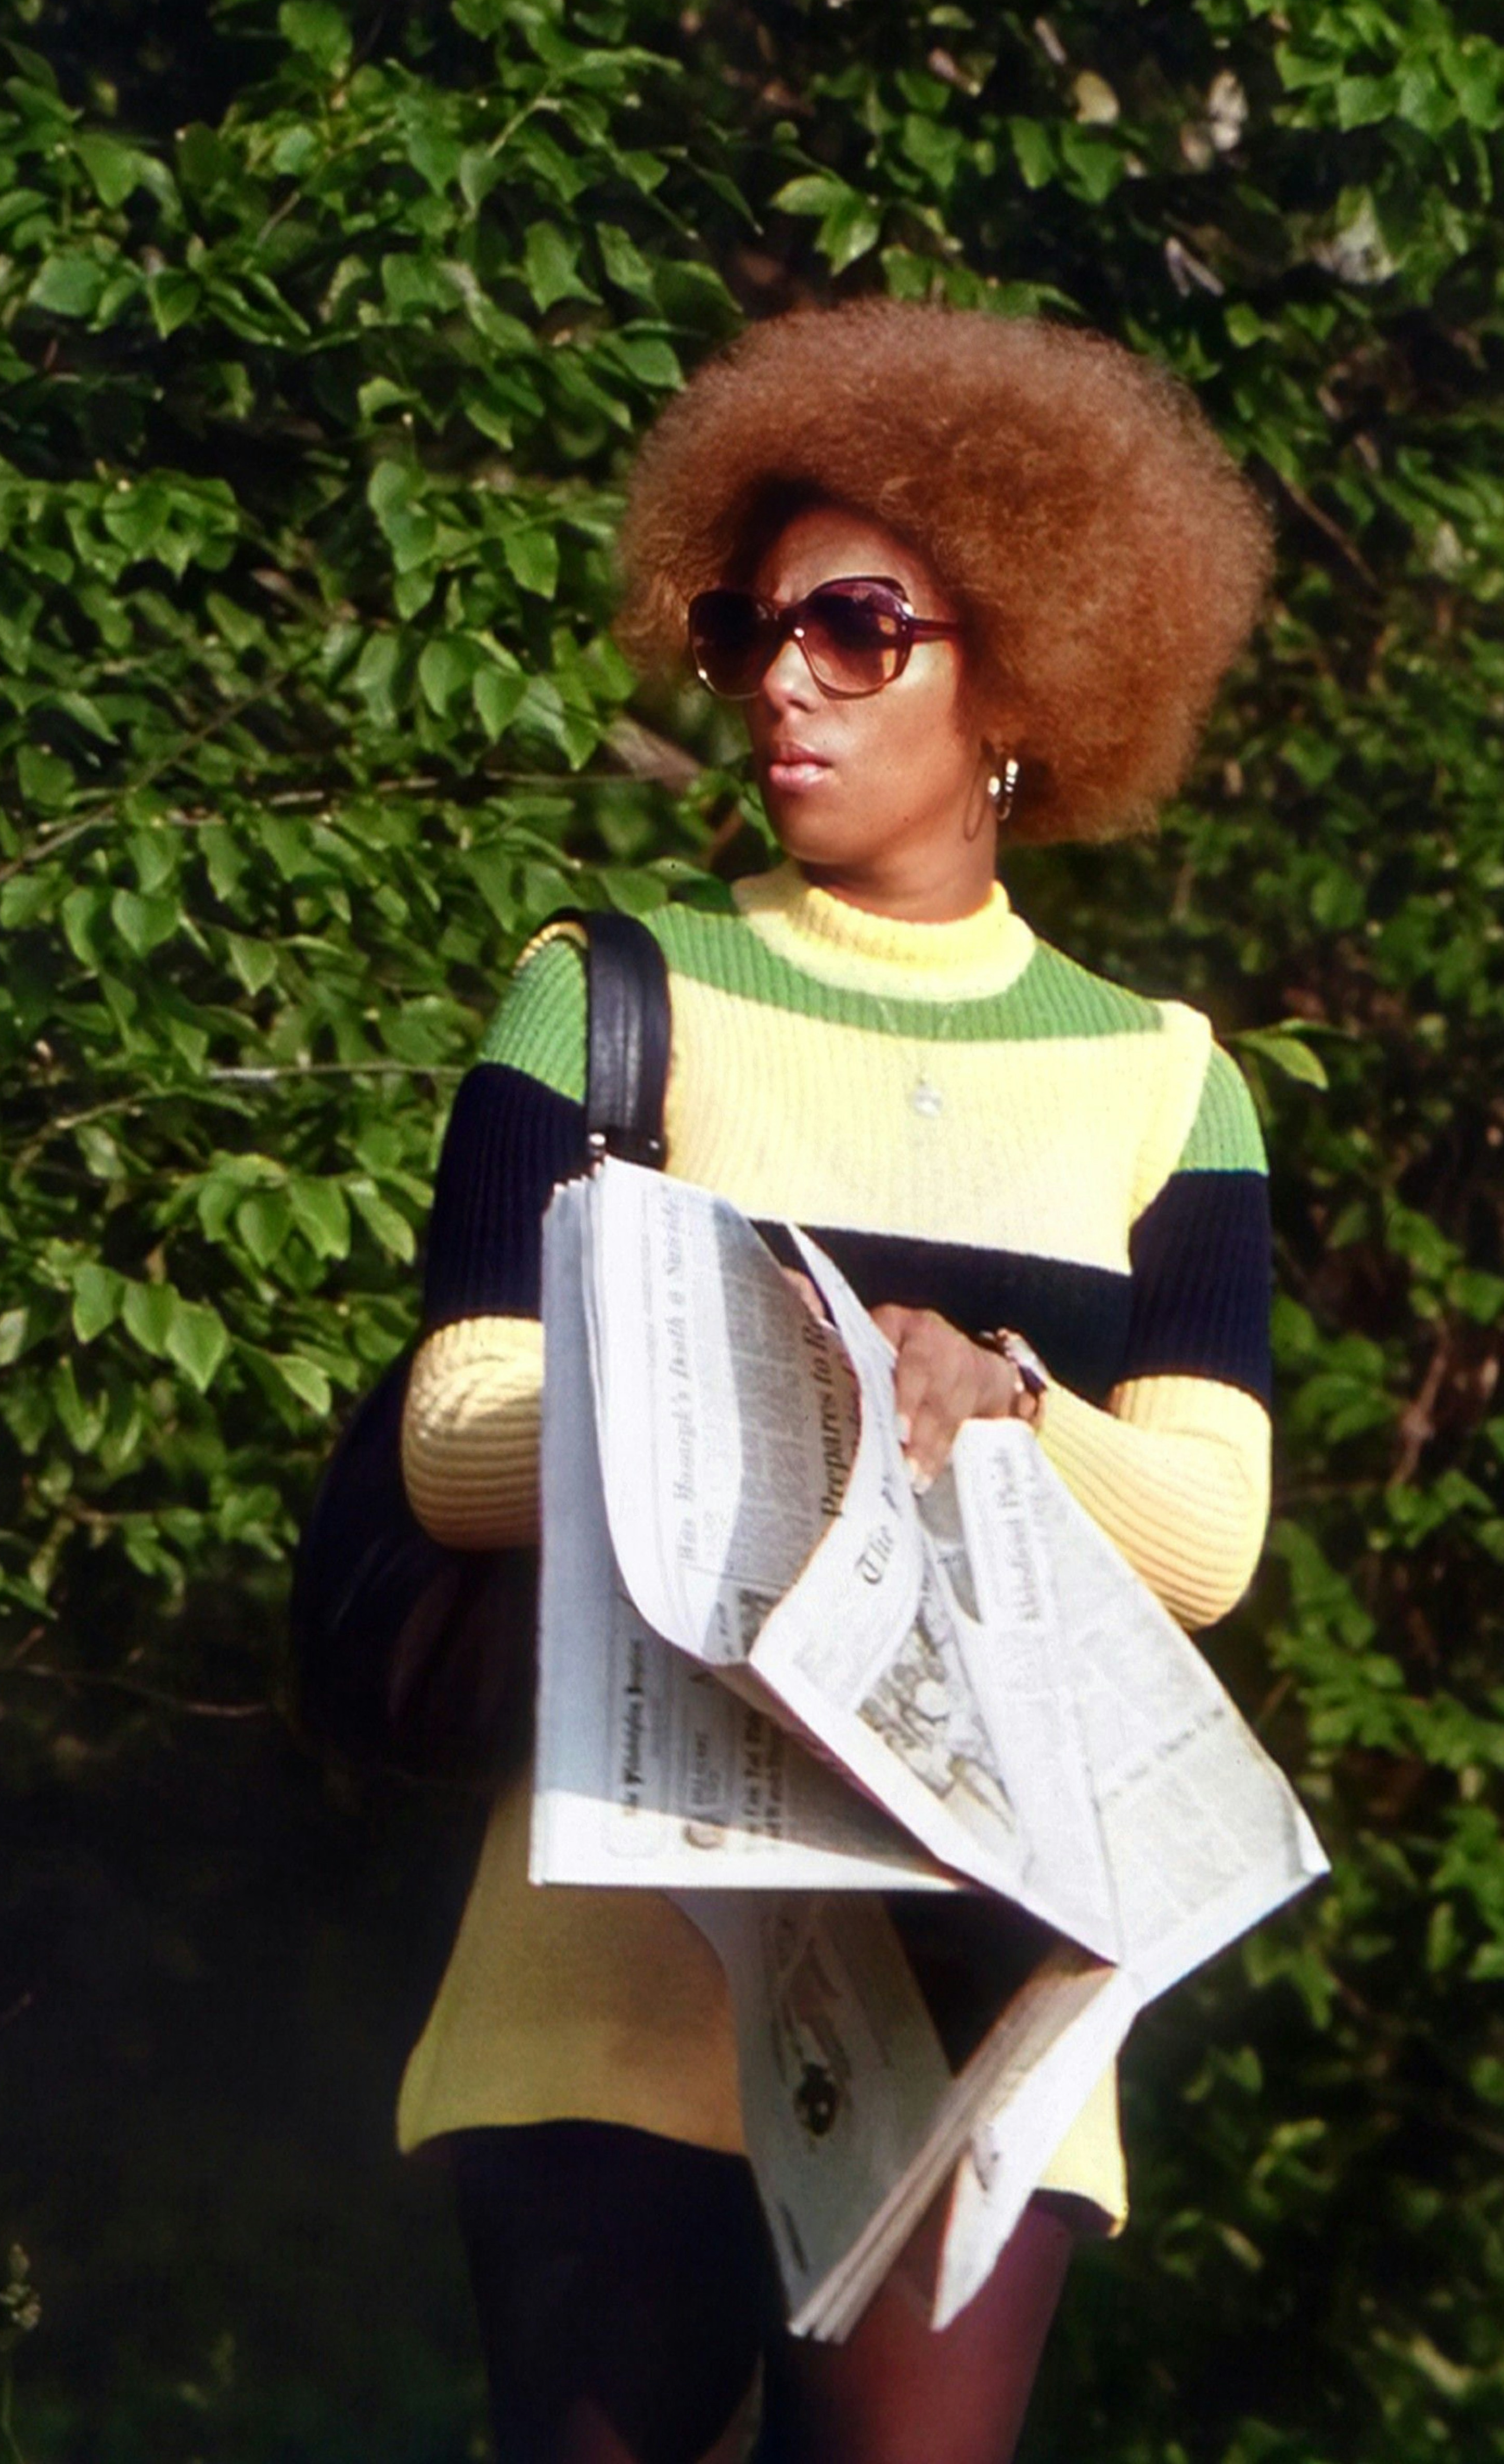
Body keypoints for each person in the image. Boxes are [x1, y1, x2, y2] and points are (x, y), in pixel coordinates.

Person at [393, 300, 1275, 2464]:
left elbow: (1211, 1535)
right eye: (751, 620)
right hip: (612, 1975)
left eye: (858, 626)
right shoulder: (610, 994)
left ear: (1026, 672)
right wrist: (747, 1390)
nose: (782, 674)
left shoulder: (1166, 1079)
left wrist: (1004, 1401)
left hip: (976, 1988)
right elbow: (450, 1437)